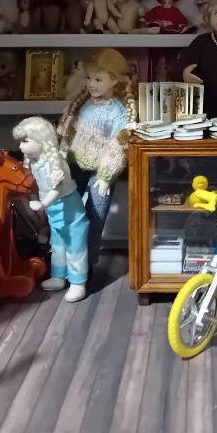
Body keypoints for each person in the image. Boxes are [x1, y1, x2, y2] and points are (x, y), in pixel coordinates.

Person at [58, 48, 138, 269]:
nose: (91, 84)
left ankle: (87, 261)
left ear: (114, 80)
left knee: (96, 215)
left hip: (102, 169)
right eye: (89, 78)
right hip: (76, 163)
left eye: (98, 79)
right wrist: (63, 152)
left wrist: (105, 176)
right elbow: (70, 129)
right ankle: (64, 257)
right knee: (68, 210)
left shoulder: (118, 111)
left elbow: (118, 146)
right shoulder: (85, 102)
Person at [14, 116, 88, 302]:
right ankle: (58, 276)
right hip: (55, 209)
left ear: (41, 141)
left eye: (25, 141)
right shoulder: (36, 160)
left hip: (68, 207)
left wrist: (43, 204)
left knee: (74, 244)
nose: (21, 146)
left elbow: (57, 189)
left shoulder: (56, 162)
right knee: (57, 243)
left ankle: (78, 282)